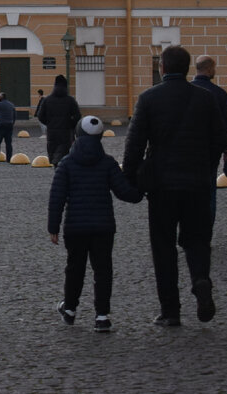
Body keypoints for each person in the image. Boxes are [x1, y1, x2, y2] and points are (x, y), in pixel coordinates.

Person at [122, 45, 227, 326]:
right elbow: (219, 139)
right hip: (197, 183)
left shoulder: (148, 99)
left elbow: (134, 144)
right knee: (197, 240)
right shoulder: (205, 99)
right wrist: (206, 169)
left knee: (163, 247)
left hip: (162, 185)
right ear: (187, 68)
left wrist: (131, 179)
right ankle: (201, 280)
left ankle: (171, 311)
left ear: (162, 68)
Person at [48, 115, 143, 333]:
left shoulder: (66, 163)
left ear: (77, 135)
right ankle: (102, 316)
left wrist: (53, 227)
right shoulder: (108, 163)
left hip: (75, 227)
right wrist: (141, 190)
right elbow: (124, 191)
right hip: (103, 227)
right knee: (103, 270)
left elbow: (57, 197)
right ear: (101, 136)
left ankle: (70, 309)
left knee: (75, 269)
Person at [192, 55, 227, 220]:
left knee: (191, 189)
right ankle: (207, 228)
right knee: (210, 189)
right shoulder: (220, 93)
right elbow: (226, 124)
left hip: (190, 149)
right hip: (212, 150)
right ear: (209, 69)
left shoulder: (188, 90)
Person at [39, 76, 81, 166]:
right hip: (66, 132)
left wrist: (49, 123)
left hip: (52, 132)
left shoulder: (47, 100)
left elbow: (40, 116)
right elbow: (78, 115)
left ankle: (56, 167)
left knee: (53, 151)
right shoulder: (70, 100)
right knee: (64, 153)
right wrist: (71, 124)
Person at [0, 92, 16, 162]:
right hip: (9, 124)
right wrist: (12, 123)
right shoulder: (11, 104)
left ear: (0, 97)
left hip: (1, 124)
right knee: (8, 143)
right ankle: (9, 158)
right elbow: (14, 115)